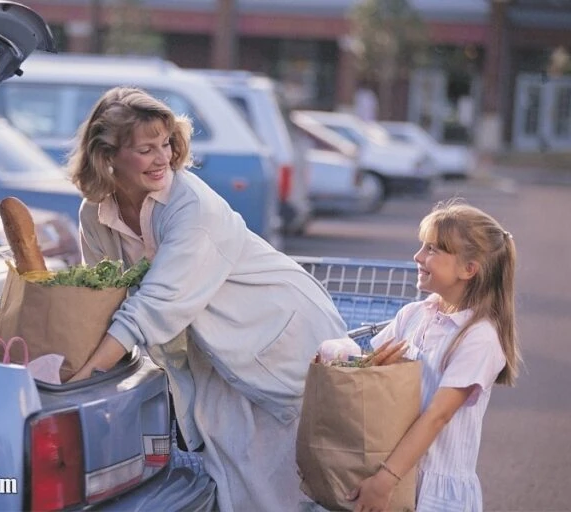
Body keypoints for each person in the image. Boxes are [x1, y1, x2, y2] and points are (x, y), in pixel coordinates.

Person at [66, 86, 348, 511]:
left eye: (166, 144)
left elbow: (151, 308)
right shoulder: (95, 213)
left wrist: (84, 380)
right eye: (146, 149)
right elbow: (104, 295)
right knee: (240, 484)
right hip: (220, 349)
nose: (163, 158)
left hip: (280, 333)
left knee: (287, 489)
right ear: (107, 156)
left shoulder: (191, 207)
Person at [348, 200, 522, 512]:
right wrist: (373, 367)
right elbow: (366, 371)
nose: (417, 257)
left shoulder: (478, 338)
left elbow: (437, 416)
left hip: (432, 490)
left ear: (469, 269)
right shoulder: (413, 314)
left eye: (432, 250)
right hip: (390, 466)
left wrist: (385, 481)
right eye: (422, 247)